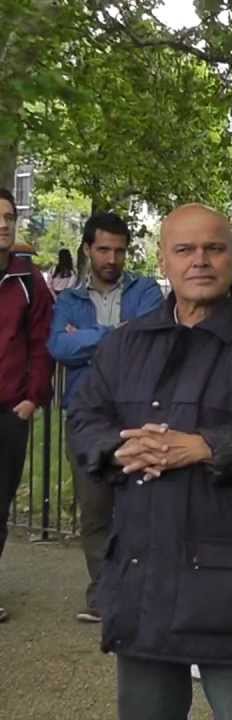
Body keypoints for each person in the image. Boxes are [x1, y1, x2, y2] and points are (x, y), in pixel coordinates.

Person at [66, 204, 232, 719]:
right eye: (184, 249)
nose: (199, 260)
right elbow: (84, 418)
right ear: (163, 259)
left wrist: (206, 446)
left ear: (230, 258)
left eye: (213, 248)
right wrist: (118, 447)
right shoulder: (127, 344)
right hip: (146, 579)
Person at [48, 212, 164, 623]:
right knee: (95, 511)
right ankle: (104, 594)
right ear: (87, 249)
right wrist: (118, 333)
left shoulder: (145, 290)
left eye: (119, 250)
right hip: (88, 417)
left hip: (138, 413)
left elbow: (150, 340)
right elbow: (58, 347)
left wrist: (87, 338)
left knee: (142, 509)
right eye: (103, 249)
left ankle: (141, 592)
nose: (112, 258)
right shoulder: (69, 300)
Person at [0, 187, 54, 625]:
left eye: (8, 216)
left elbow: (41, 343)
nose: (3, 224)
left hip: (8, 412)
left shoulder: (29, 281)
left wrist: (32, 398)